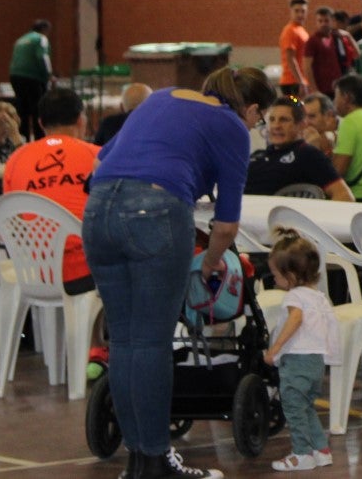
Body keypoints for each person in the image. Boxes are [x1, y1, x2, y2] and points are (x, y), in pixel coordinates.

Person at [84, 66, 273, 479]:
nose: (257, 125)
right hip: (155, 213)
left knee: (126, 341)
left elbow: (101, 157)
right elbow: (225, 227)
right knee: (151, 343)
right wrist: (207, 266)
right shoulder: (233, 127)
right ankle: (153, 461)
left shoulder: (162, 95)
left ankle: (138, 461)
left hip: (98, 211)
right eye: (260, 118)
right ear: (253, 109)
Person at [3, 88, 99, 295]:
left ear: (40, 123)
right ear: (81, 120)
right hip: (86, 274)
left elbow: (11, 220)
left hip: (32, 272)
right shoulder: (97, 157)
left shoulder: (15, 160)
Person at [262, 230, 340, 473]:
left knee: (294, 409)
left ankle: (301, 454)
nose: (273, 279)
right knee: (306, 406)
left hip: (297, 361)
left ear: (291, 275)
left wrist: (274, 349)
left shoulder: (294, 297)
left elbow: (295, 319)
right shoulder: (318, 296)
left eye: (276, 274)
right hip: (316, 362)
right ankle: (321, 450)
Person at [245, 98, 353, 201]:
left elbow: (344, 195)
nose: (276, 126)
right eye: (272, 120)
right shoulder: (257, 155)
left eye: (284, 120)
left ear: (301, 125)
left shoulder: (308, 155)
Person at [8, 19, 52, 139]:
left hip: (15, 76)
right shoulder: (40, 38)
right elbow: (43, 57)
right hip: (32, 77)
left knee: (22, 110)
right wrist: (49, 75)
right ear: (45, 30)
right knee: (38, 109)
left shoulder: (20, 40)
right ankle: (40, 139)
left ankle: (22, 139)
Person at [302, 7, 353, 98]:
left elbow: (354, 56)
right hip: (321, 90)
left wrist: (348, 36)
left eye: (326, 21)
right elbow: (307, 67)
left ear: (332, 21)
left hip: (336, 88)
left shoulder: (335, 38)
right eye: (320, 21)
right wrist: (314, 90)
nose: (323, 24)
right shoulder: (312, 41)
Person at [93, 82, 153, 147]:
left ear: (121, 107)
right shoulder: (157, 125)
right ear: (151, 106)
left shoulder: (108, 123)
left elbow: (96, 151)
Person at [278, 0, 312, 100]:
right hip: (292, 84)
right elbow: (290, 58)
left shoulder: (301, 30)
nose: (300, 14)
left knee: (300, 111)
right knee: (296, 109)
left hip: (299, 82)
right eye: (296, 11)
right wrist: (300, 81)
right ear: (291, 12)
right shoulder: (290, 31)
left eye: (303, 11)